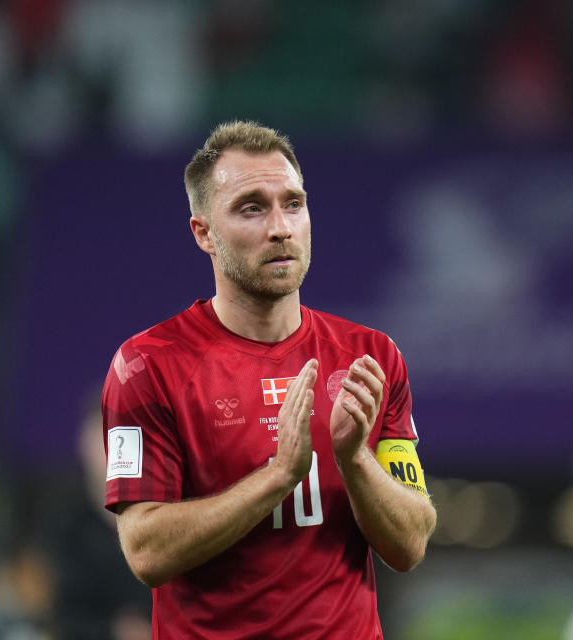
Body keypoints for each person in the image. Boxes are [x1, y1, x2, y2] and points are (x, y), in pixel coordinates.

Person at [100, 120, 437, 639]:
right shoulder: (147, 366)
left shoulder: (371, 356)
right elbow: (146, 549)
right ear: (204, 233)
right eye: (251, 207)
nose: (280, 226)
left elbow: (410, 543)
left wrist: (354, 460)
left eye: (293, 203)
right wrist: (279, 476)